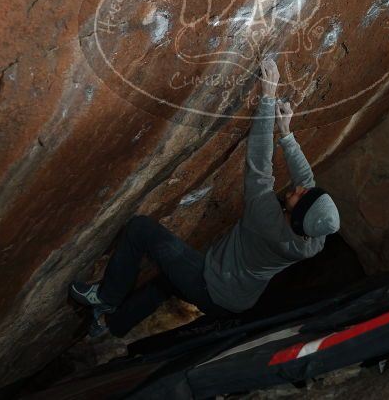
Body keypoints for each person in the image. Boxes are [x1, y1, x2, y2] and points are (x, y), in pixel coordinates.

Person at [69, 57, 341, 338]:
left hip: (213, 287)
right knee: (168, 282)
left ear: (295, 220)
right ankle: (109, 326)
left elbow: (259, 166)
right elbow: (307, 183)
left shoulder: (267, 221)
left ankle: (107, 297)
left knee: (140, 229)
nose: (298, 189)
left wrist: (268, 97)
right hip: (240, 298)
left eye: (300, 197)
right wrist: (286, 133)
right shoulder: (314, 238)